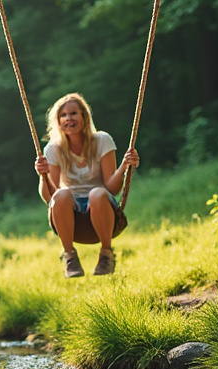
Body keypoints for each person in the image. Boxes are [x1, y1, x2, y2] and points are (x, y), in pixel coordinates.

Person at [33, 93, 141, 278]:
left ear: (84, 117)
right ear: (58, 122)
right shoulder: (53, 148)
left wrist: (125, 166)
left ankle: (106, 254)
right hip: (70, 212)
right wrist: (43, 176)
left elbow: (112, 188)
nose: (69, 118)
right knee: (62, 194)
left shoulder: (102, 140)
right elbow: (50, 197)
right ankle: (69, 256)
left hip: (100, 207)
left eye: (74, 113)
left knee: (97, 193)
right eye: (64, 115)